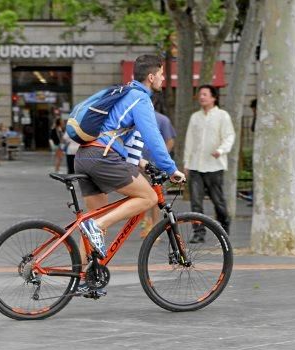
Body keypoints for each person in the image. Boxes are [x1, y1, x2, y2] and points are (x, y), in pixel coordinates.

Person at [75, 54, 185, 265]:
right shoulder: (140, 98)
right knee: (149, 198)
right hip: (102, 157)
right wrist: (171, 169)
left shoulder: (125, 93)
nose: (164, 79)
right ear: (151, 77)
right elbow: (153, 138)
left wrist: (142, 163)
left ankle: (82, 275)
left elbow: (120, 138)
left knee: (94, 217)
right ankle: (96, 227)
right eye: (162, 74)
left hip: (86, 155)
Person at [184, 84, 235, 242]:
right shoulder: (195, 117)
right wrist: (186, 163)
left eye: (205, 94)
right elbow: (189, 141)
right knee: (196, 203)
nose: (202, 97)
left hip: (215, 166)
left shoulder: (222, 116)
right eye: (200, 94)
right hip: (195, 166)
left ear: (214, 97)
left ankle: (224, 230)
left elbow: (229, 136)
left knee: (218, 202)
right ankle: (199, 233)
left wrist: (221, 150)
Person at [140, 107, 176, 237]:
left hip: (156, 166)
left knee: (156, 198)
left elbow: (170, 141)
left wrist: (159, 158)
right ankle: (146, 222)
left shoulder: (162, 119)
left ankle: (154, 229)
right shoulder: (137, 117)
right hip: (139, 164)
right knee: (140, 195)